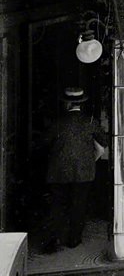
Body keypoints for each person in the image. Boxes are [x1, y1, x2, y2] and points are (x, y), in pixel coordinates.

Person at [37, 85, 101, 252]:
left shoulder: (57, 123)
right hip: (84, 172)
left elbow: (45, 143)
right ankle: (74, 239)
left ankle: (55, 240)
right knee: (79, 204)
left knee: (58, 205)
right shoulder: (90, 122)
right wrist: (90, 159)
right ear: (82, 104)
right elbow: (101, 147)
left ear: (66, 104)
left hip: (59, 172)